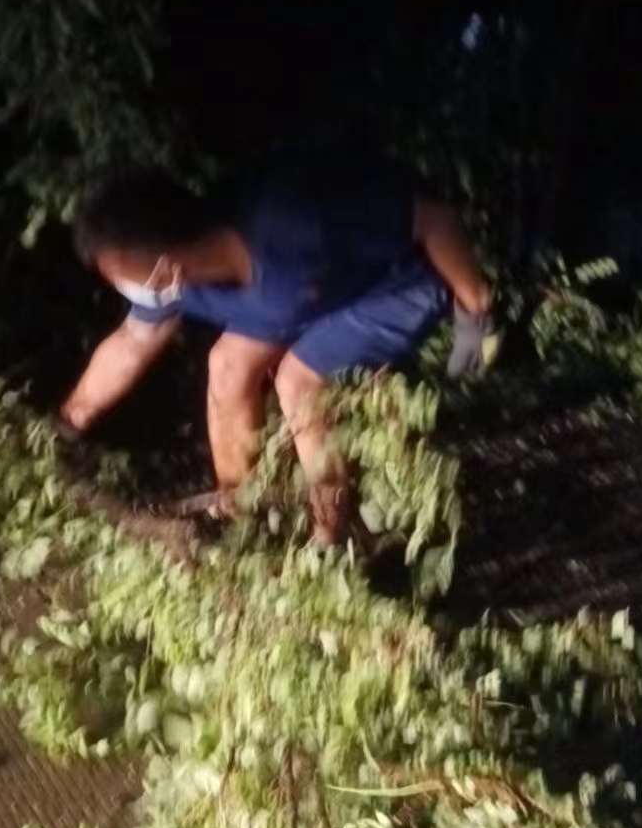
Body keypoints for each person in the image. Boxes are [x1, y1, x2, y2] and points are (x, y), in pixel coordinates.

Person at [59, 156, 495, 544]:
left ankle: (332, 540)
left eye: (123, 278)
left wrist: (475, 313)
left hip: (397, 286)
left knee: (298, 380)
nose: (125, 289)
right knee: (227, 365)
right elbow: (132, 341)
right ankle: (244, 517)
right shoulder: (176, 283)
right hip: (308, 298)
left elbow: (434, 219)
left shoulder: (292, 226)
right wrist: (69, 422)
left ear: (168, 266)